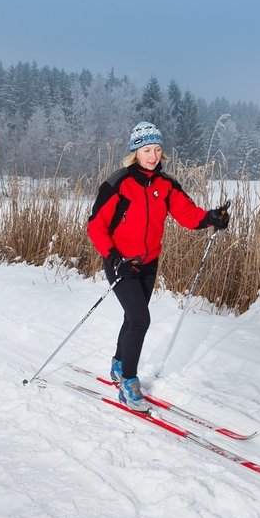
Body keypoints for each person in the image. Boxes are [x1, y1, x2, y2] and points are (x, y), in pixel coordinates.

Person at [87, 121, 230, 412]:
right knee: (140, 319)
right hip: (121, 262)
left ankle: (118, 363)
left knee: (132, 317)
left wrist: (211, 218)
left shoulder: (166, 184)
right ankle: (128, 380)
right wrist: (114, 258)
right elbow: (96, 226)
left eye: (157, 149)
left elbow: (187, 214)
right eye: (146, 150)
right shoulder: (118, 184)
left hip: (148, 262)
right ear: (135, 153)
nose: (153, 155)